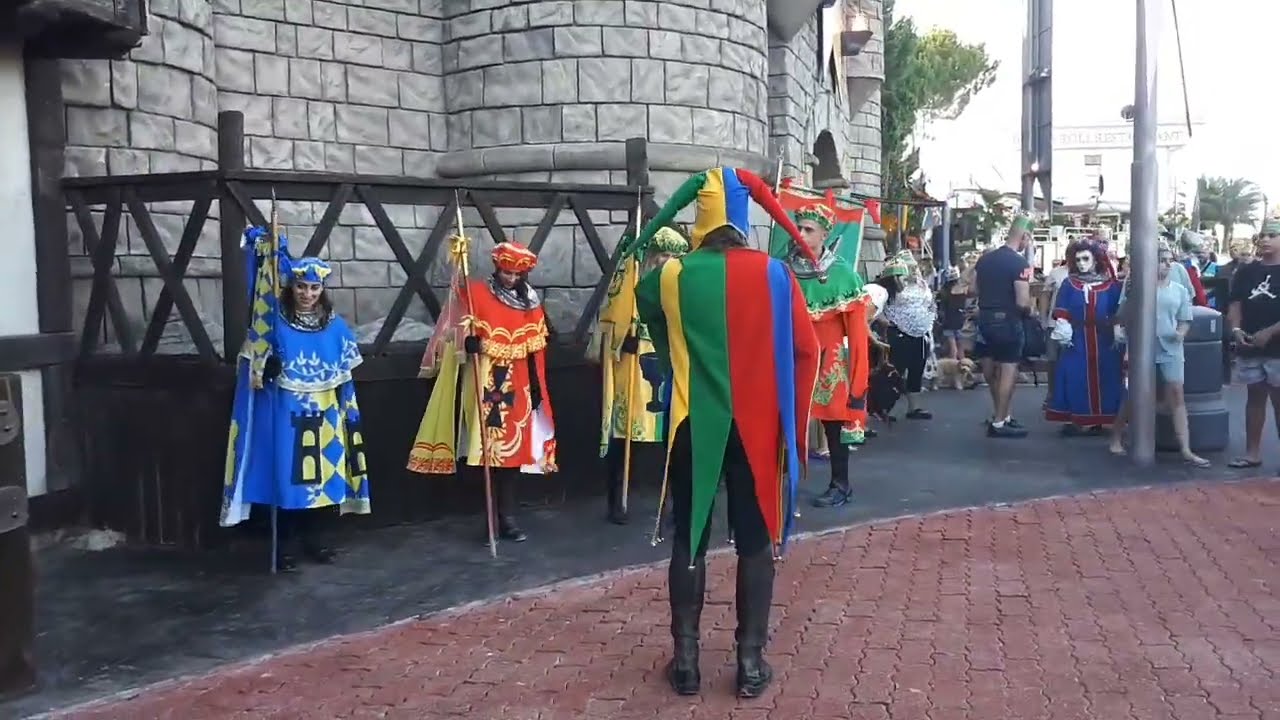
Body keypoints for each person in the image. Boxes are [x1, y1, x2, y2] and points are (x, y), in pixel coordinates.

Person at [631, 166, 819, 699]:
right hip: (758, 430)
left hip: (694, 422)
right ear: (743, 220)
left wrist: (673, 364)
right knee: (755, 544)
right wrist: (792, 421)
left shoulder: (670, 276)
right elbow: (808, 351)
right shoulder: (777, 276)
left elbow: (645, 308)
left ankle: (687, 661)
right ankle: (750, 663)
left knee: (689, 539)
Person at [220, 227, 372, 571]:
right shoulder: (273, 323)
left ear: (322, 290)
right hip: (286, 413)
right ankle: (283, 547)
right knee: (287, 480)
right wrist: (266, 366)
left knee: (322, 480)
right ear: (292, 286)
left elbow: (345, 374)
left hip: (325, 415)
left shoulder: (334, 327)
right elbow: (252, 364)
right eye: (302, 286)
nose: (307, 293)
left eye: (314, 287)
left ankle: (315, 541)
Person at [408, 241, 557, 544]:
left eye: (516, 274)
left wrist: (538, 387)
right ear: (497, 267)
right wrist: (468, 343)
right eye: (506, 272)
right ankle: (488, 517)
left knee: (514, 453)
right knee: (484, 451)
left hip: (518, 385)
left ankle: (507, 515)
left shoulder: (530, 301)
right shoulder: (476, 295)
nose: (510, 278)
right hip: (485, 381)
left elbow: (537, 347)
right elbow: (453, 328)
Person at [589, 225, 689, 524]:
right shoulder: (630, 281)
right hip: (633, 366)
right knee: (624, 435)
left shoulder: (680, 286)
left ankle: (674, 498)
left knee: (673, 436)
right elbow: (609, 321)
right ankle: (615, 500)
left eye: (672, 256)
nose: (665, 262)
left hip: (669, 363)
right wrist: (622, 340)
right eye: (661, 255)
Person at [787, 201, 873, 508]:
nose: (800, 234)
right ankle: (780, 482)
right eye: (798, 228)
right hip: (792, 358)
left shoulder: (842, 276)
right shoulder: (784, 271)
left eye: (808, 230)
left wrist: (858, 383)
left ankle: (841, 484)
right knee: (783, 420)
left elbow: (859, 336)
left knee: (834, 426)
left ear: (824, 234)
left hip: (830, 363)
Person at [1109, 240, 1209, 466]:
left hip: (1170, 347)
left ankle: (1186, 448)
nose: (1166, 265)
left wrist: (1180, 333)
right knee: (1135, 393)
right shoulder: (1135, 284)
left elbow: (1185, 319)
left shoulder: (1180, 290)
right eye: (1161, 261)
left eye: (1168, 261)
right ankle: (1116, 436)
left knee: (1176, 393)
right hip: (1142, 346)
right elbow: (1123, 314)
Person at [1045, 241, 1125, 434]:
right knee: (1074, 377)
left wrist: (1117, 329)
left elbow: (1118, 311)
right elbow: (1062, 310)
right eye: (1078, 259)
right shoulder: (1070, 284)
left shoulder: (1110, 285)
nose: (1081, 263)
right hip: (1077, 338)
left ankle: (1101, 420)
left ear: (1096, 260)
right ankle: (1074, 419)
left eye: (1085, 259)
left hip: (1105, 340)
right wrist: (1063, 329)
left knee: (1107, 378)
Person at [973, 215, 1035, 437]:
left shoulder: (985, 260)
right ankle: (1000, 422)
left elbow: (973, 288)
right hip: (1008, 322)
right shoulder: (1021, 264)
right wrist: (1030, 312)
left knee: (990, 371)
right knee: (1008, 370)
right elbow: (1022, 301)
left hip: (984, 320)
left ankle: (1003, 414)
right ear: (1024, 237)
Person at [1226, 217, 1280, 469]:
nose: (1266, 239)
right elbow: (1235, 303)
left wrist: (1270, 332)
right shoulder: (1247, 271)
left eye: (1272, 235)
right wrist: (1236, 330)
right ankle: (1252, 453)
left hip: (1277, 350)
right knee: (1255, 398)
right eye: (1263, 235)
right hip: (1250, 346)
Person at [877, 250, 936, 420]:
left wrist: (929, 319)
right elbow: (875, 305)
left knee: (916, 369)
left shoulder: (921, 284)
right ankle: (883, 408)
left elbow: (930, 304)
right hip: (899, 332)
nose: (912, 270)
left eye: (913, 266)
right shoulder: (890, 284)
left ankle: (914, 407)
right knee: (896, 370)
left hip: (921, 331)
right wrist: (885, 322)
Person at [937, 266, 967, 361]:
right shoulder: (963, 290)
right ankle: (964, 367)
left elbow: (940, 307)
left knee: (953, 348)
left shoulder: (943, 292)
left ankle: (953, 367)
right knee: (961, 348)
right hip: (961, 321)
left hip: (948, 322)